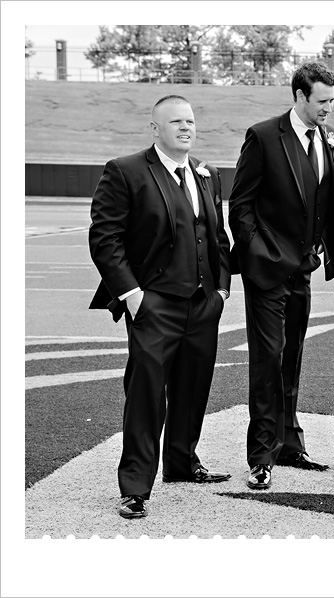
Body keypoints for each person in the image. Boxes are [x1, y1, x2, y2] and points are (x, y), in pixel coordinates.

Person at [89, 94, 232, 519]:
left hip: (202, 304)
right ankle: (135, 486)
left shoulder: (208, 174)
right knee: (147, 394)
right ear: (155, 128)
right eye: (175, 122)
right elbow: (105, 239)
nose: (185, 128)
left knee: (193, 388)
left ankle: (182, 463)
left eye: (190, 121)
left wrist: (221, 291)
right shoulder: (126, 171)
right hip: (154, 305)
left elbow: (217, 237)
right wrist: (133, 296)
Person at [228, 62, 334, 490]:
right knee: (268, 360)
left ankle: (290, 445)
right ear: (299, 97)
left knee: (292, 356)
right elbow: (240, 207)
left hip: (304, 271)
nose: (329, 108)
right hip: (268, 273)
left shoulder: (332, 139)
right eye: (322, 101)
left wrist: (331, 256)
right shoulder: (262, 137)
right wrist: (260, 257)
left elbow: (329, 203)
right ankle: (261, 456)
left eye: (333, 100)